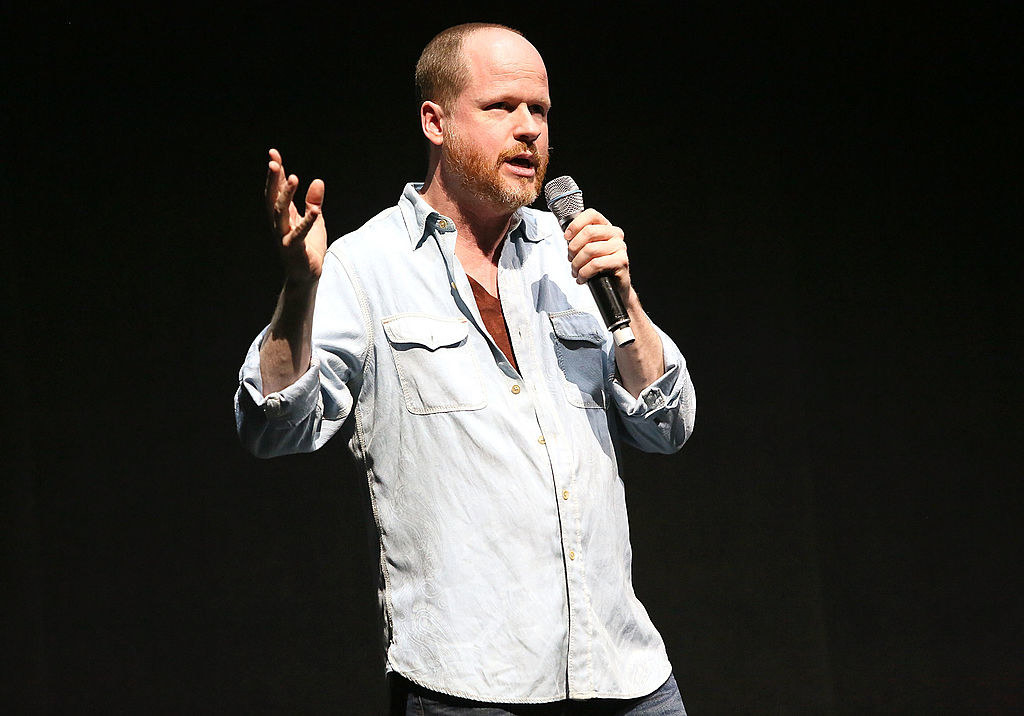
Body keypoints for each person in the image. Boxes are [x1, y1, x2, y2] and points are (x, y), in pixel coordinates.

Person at [235, 22, 695, 714]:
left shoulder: (573, 258)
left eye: (538, 110)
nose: (528, 129)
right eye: (501, 107)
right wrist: (300, 291)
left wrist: (623, 294)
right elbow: (273, 425)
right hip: (471, 690)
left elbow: (669, 423)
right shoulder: (366, 268)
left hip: (623, 678)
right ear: (436, 121)